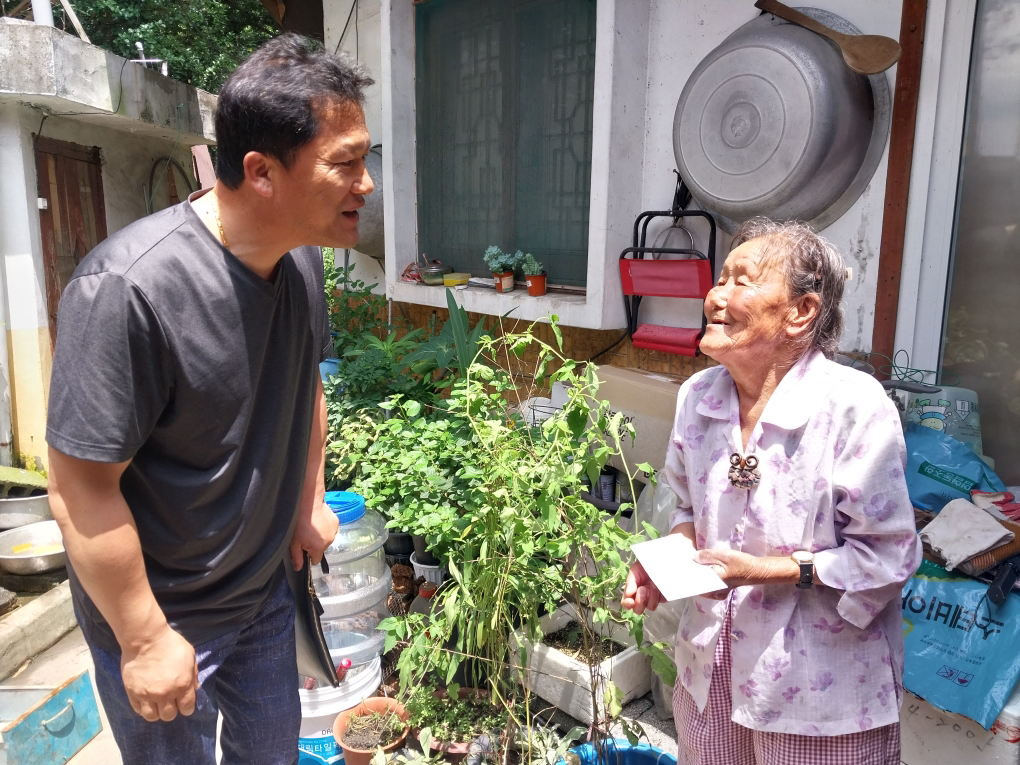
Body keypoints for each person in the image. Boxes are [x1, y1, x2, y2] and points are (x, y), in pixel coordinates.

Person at [45, 35, 373, 765]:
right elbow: (78, 488)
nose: (366, 183)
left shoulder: (300, 260)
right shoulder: (127, 290)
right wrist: (142, 638)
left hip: (261, 594)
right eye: (345, 162)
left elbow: (305, 383)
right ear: (261, 172)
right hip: (163, 614)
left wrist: (307, 498)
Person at [622, 218, 921, 765]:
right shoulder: (698, 396)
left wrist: (763, 571)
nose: (716, 296)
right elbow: (687, 509)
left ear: (800, 311)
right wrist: (669, 566)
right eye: (720, 279)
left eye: (742, 281)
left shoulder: (853, 407)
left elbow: (888, 556)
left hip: (817, 692)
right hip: (709, 675)